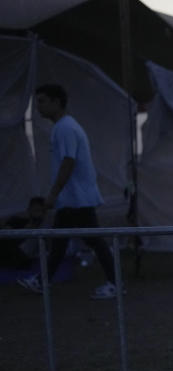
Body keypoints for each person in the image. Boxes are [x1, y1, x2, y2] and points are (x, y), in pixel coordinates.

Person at [17, 84, 120, 300]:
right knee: (62, 242)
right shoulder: (65, 127)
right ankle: (42, 281)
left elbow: (68, 161)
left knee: (90, 241)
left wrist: (53, 194)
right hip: (74, 197)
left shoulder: (64, 128)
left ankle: (115, 283)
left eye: (42, 101)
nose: (38, 107)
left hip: (76, 198)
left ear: (57, 102)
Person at [0, 197, 45, 268]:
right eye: (35, 209)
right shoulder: (16, 220)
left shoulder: (43, 226)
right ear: (29, 209)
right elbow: (6, 232)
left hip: (20, 256)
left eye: (39, 210)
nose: (37, 212)